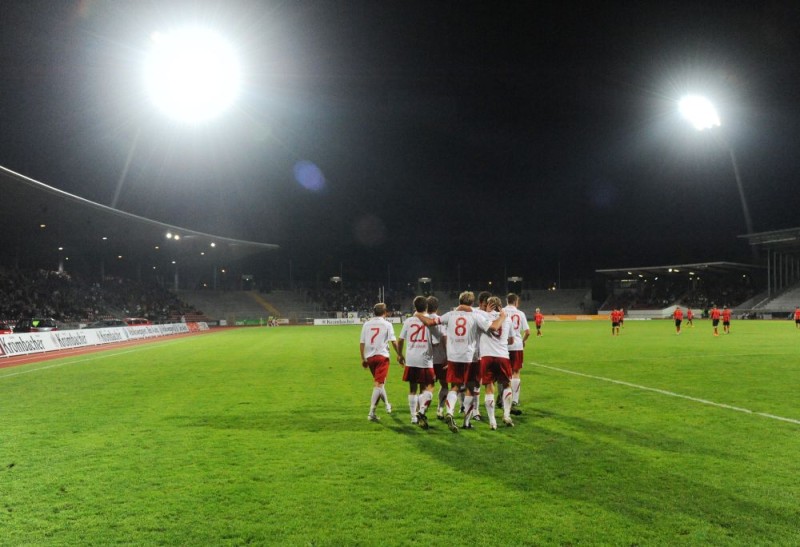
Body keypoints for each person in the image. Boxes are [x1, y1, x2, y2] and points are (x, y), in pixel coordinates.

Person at [416, 291, 505, 432]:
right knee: (471, 388)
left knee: (454, 387)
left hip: (453, 357)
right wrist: (502, 316)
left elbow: (430, 322)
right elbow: (494, 327)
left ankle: (449, 412)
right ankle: (466, 422)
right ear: (472, 302)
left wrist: (418, 314)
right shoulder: (476, 315)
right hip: (470, 357)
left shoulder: (450, 315)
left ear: (459, 301)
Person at [397, 296, 439, 428]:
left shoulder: (408, 321)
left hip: (411, 358)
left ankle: (413, 417)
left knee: (412, 388)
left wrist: (399, 354)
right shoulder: (430, 321)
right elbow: (437, 342)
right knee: (425, 388)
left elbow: (400, 339)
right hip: (425, 359)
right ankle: (421, 413)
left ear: (414, 306)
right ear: (426, 306)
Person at [360, 302, 404, 422]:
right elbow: (393, 341)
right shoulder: (387, 324)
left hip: (370, 358)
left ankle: (387, 404)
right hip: (382, 357)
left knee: (380, 383)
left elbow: (362, 343)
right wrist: (400, 355)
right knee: (379, 385)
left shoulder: (366, 324)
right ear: (385, 312)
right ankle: (371, 413)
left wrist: (363, 358)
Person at [479, 296, 516, 430]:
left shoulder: (482, 316)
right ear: (500, 306)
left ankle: (492, 421)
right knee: (506, 385)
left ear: (488, 305)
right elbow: (511, 340)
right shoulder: (507, 318)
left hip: (487, 356)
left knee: (489, 387)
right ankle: (506, 415)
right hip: (502, 355)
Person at [504, 293, 530, 413]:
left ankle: (503, 398)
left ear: (507, 301)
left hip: (503, 346)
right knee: (516, 372)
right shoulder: (520, 313)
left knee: (504, 373)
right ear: (516, 302)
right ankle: (515, 400)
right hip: (517, 345)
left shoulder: (502, 312)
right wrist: (523, 341)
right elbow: (528, 332)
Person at [426, 296, 449, 420]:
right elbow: (443, 338)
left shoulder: (421, 320)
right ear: (437, 308)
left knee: (426, 387)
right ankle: (440, 409)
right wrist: (447, 355)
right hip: (440, 359)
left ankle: (421, 411)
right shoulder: (440, 320)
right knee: (444, 385)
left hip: (425, 359)